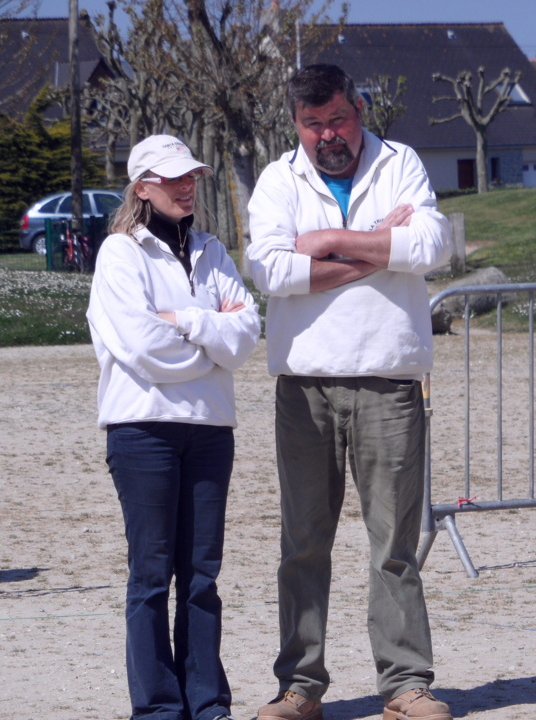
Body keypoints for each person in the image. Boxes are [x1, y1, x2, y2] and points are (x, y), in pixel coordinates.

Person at [246, 64, 454, 720]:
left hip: (390, 380)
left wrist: (332, 242)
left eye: (337, 119)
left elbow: (430, 244)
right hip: (303, 384)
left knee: (393, 543)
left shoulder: (401, 163)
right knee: (303, 542)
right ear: (295, 125)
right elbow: (271, 268)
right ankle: (299, 688)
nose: (327, 135)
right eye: (312, 125)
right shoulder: (279, 178)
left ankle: (405, 685)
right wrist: (378, 251)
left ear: (357, 108)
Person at [87, 135, 260, 720]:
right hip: (142, 432)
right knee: (152, 575)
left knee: (202, 576)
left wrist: (186, 321)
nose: (188, 184)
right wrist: (211, 337)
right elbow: (143, 348)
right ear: (143, 187)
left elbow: (246, 338)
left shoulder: (213, 250)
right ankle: (158, 708)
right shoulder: (118, 255)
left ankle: (208, 703)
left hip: (211, 429)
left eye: (192, 175)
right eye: (173, 178)